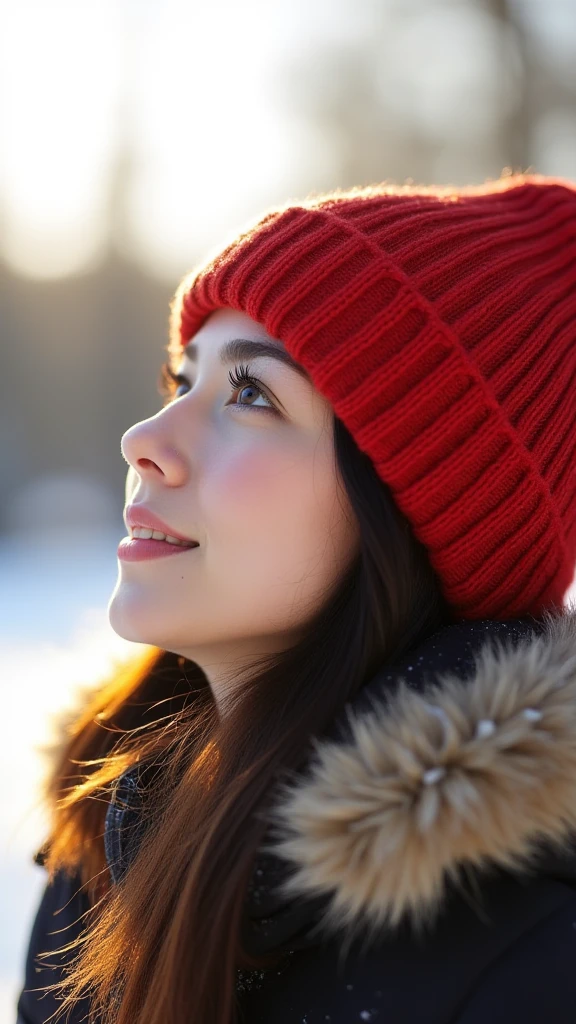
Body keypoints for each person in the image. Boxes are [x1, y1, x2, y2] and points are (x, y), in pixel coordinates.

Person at [16, 172, 576, 1024]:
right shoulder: (104, 837)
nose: (145, 440)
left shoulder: (528, 959)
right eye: (182, 380)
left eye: (251, 395)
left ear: (410, 513)